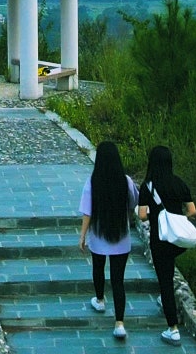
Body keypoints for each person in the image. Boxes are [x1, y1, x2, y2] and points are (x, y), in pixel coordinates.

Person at [78, 141, 139, 341]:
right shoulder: (126, 181)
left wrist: (82, 236)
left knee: (98, 268)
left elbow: (87, 212)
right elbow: (133, 203)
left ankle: (100, 299)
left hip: (98, 236)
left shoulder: (92, 182)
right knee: (118, 280)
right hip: (121, 237)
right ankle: (119, 324)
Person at [137, 144, 196, 346]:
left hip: (159, 239)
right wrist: (177, 218)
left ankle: (173, 329)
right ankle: (166, 301)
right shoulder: (179, 183)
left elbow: (142, 215)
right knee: (169, 272)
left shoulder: (148, 186)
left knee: (165, 283)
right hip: (177, 240)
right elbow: (192, 210)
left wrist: (158, 217)